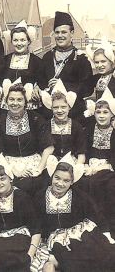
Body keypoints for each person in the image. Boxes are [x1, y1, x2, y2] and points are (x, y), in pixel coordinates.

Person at [32, 153, 115, 272]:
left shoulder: (79, 196)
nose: (60, 183)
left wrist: (107, 236)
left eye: (66, 181)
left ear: (72, 182)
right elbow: (36, 223)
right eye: (57, 178)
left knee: (103, 253)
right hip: (58, 238)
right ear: (52, 176)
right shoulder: (40, 197)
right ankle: (56, 261)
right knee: (72, 260)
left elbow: (96, 215)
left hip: (81, 232)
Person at [0, 83, 54, 196]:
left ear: (25, 102)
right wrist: (15, 171)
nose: (15, 103)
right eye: (11, 99)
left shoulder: (36, 119)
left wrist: (38, 169)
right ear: (6, 101)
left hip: (35, 164)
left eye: (19, 100)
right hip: (9, 166)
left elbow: (49, 146)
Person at [0, 154, 41, 272]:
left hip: (21, 238)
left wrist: (30, 255)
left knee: (11, 258)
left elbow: (36, 229)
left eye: (2, 179)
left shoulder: (22, 197)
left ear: (10, 179)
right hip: (2, 239)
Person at [36, 11, 94, 118]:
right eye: (57, 32)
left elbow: (88, 88)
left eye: (64, 32)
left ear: (71, 33)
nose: (60, 36)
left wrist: (62, 86)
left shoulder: (81, 58)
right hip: (49, 112)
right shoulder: (47, 57)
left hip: (74, 113)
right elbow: (41, 81)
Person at [81, 88, 115, 221]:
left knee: (110, 186)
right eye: (98, 112)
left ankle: (109, 222)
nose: (101, 116)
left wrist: (104, 167)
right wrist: (85, 166)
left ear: (112, 114)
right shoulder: (89, 130)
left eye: (106, 112)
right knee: (84, 184)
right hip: (90, 166)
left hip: (108, 167)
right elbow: (83, 150)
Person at [0, 19, 45, 110]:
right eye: (15, 40)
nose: (19, 43)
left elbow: (42, 82)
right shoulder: (5, 60)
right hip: (7, 107)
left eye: (23, 40)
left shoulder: (37, 61)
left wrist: (36, 89)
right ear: (11, 41)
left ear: (28, 41)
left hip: (30, 107)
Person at [42, 79, 86, 162]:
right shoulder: (46, 126)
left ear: (69, 107)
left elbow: (81, 154)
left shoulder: (76, 126)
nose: (59, 111)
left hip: (71, 162)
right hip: (50, 162)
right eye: (55, 107)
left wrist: (77, 168)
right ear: (51, 108)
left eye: (63, 107)